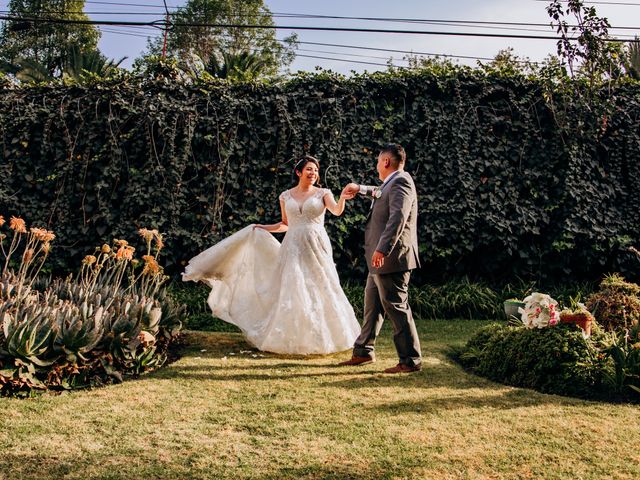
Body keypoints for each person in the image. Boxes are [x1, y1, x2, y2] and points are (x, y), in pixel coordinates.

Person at [182, 156, 360, 355]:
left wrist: (343, 198)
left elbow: (336, 211)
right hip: (292, 244)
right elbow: (285, 224)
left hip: (316, 244)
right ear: (299, 172)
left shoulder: (323, 193)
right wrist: (259, 228)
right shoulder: (285, 196)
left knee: (321, 284)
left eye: (316, 170)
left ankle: (328, 336)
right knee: (293, 286)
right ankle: (292, 338)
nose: (313, 174)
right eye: (309, 169)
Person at [339, 143, 422, 373]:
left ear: (386, 162)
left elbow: (398, 218)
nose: (377, 165)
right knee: (372, 305)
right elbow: (379, 192)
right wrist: (360, 188)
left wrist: (382, 249)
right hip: (380, 260)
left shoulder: (402, 182)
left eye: (378, 161)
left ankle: (410, 360)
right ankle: (364, 351)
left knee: (396, 305)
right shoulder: (392, 183)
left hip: (392, 258)